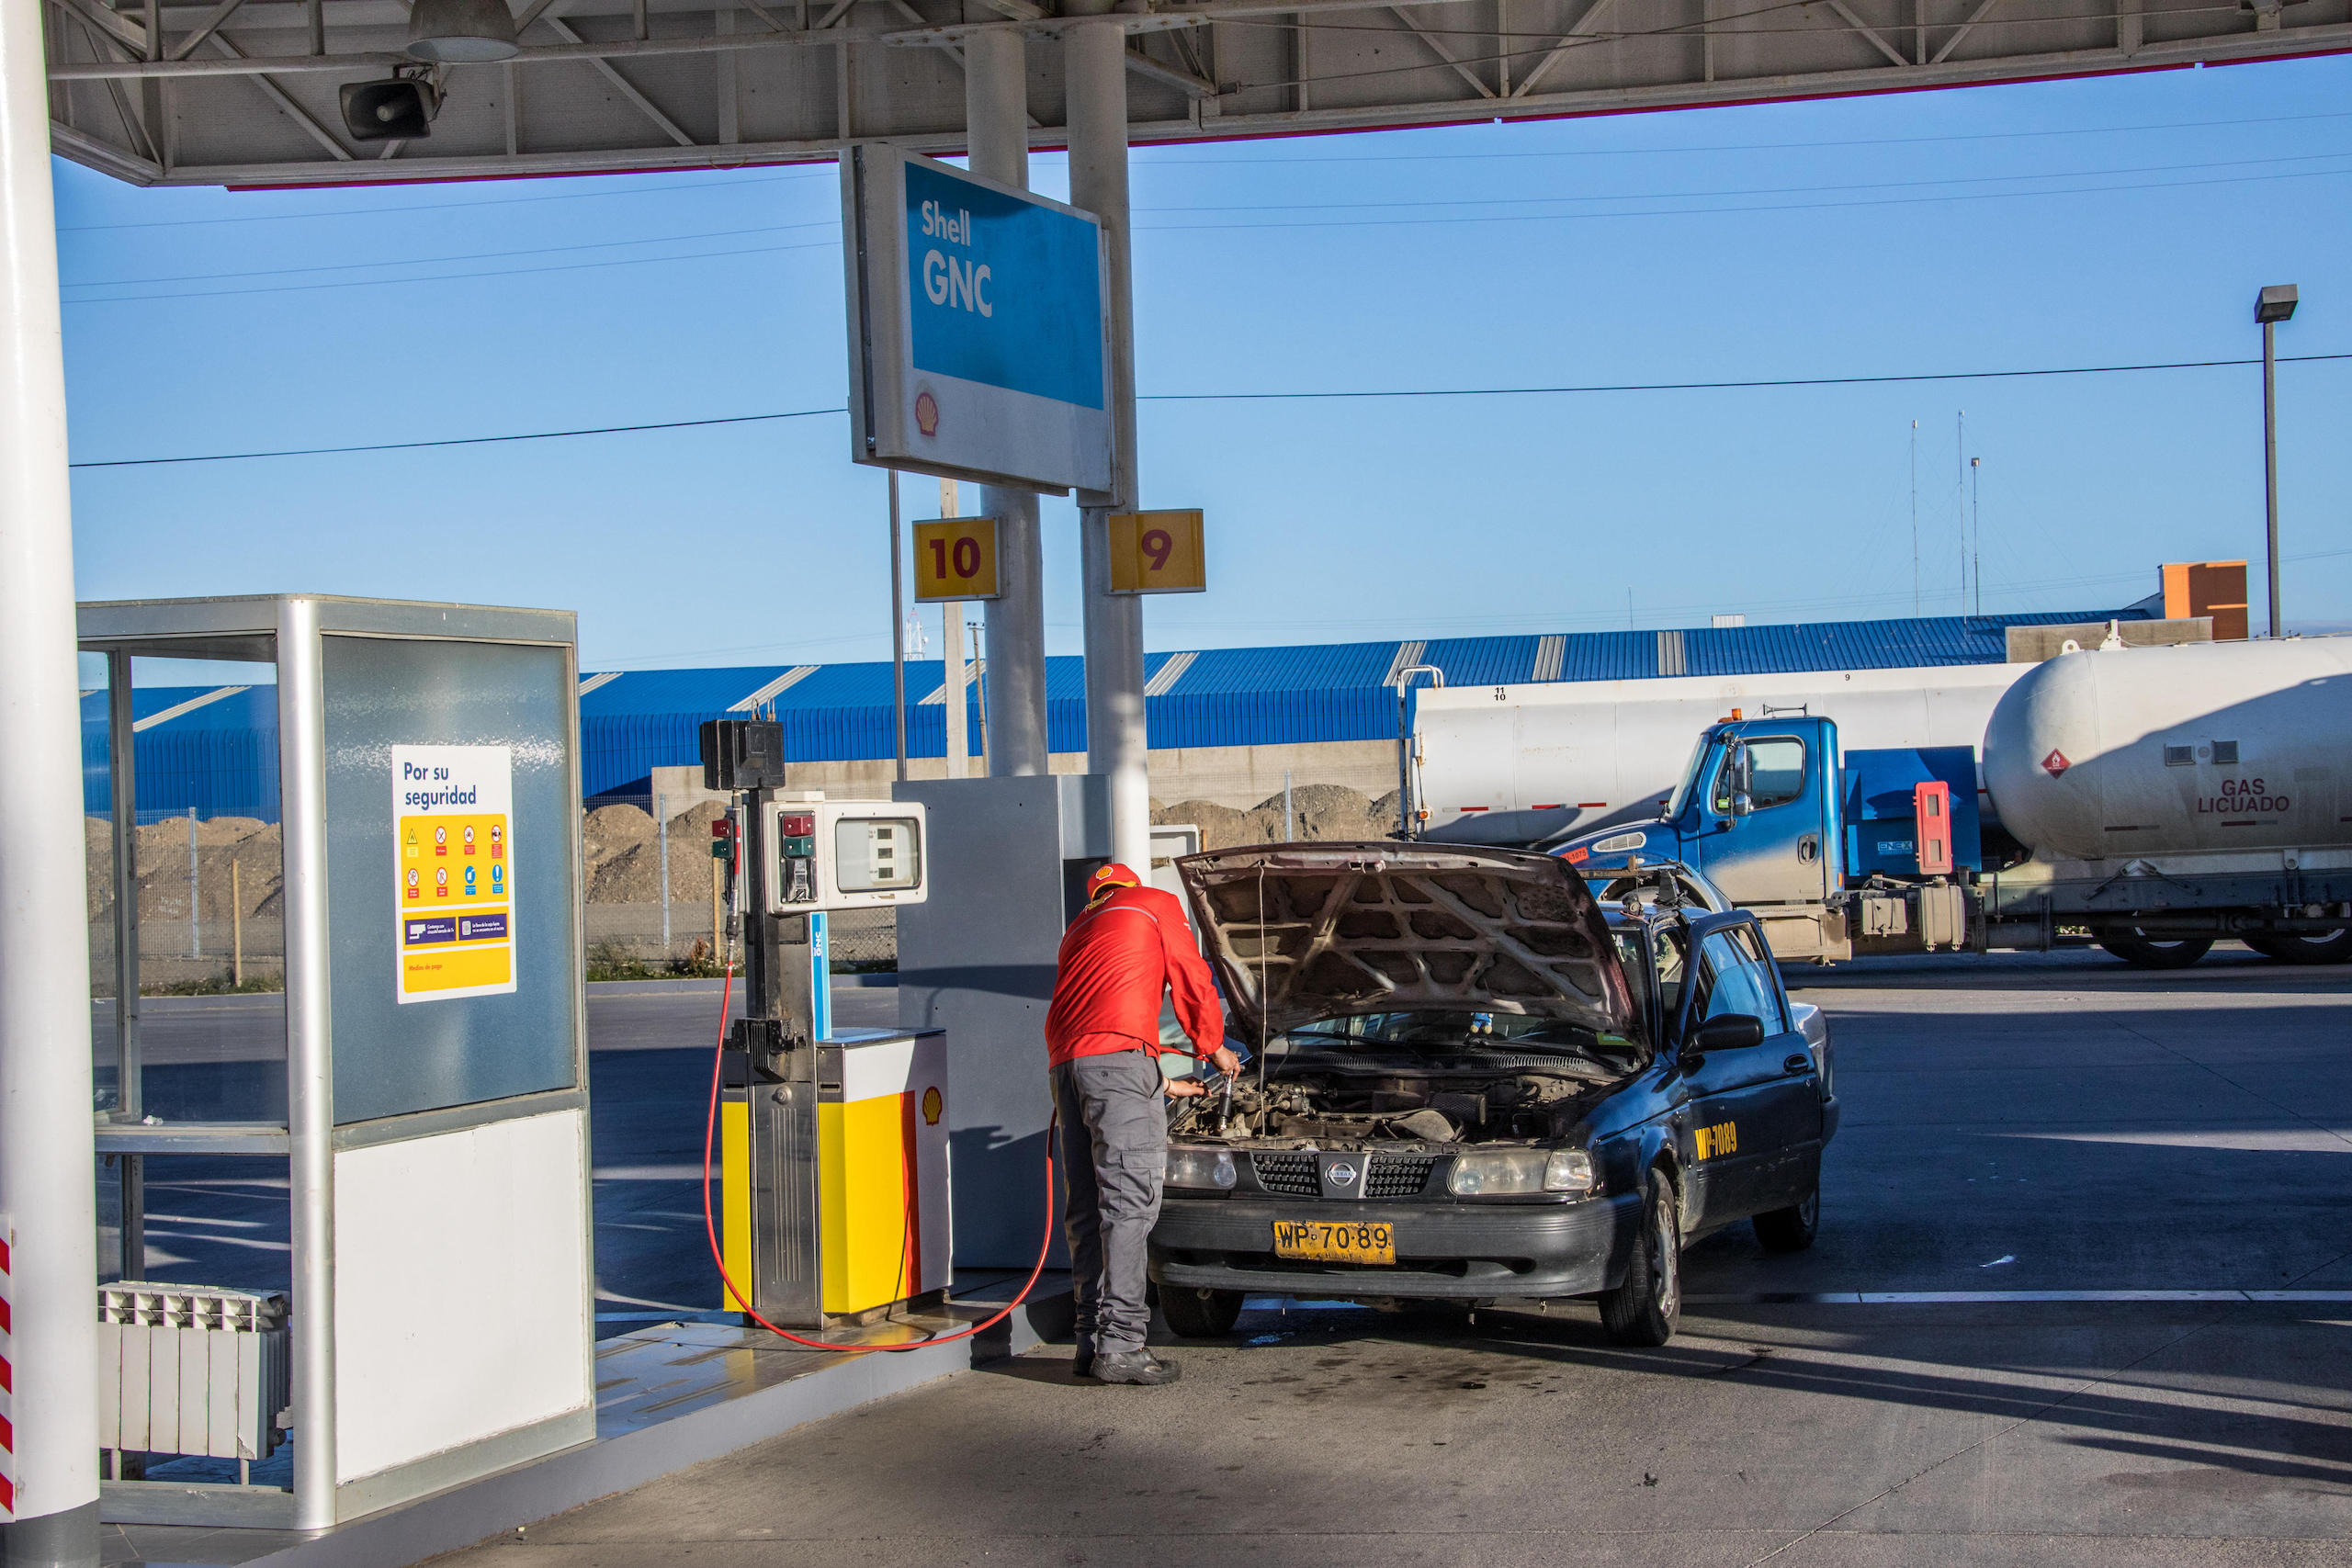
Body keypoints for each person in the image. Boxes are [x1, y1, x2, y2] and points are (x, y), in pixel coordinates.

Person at [1045, 862, 1239, 1385]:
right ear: (1132, 885)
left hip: (1067, 1068)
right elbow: (1192, 976)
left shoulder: (1079, 929)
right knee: (1129, 1204)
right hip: (1117, 1066)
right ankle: (1124, 1343)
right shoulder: (1153, 903)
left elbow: (1100, 1023)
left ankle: (1090, 1341)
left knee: (1087, 1206)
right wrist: (1213, 1046)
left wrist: (1165, 1084)